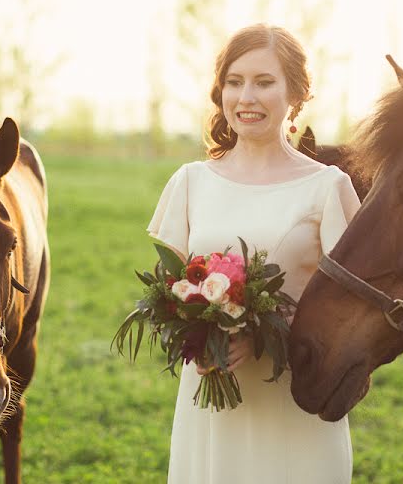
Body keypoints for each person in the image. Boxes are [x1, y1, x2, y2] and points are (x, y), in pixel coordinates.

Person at [148, 24, 361, 483]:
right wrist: (195, 332)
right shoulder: (190, 183)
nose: (246, 97)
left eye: (264, 82)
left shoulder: (328, 188)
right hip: (209, 405)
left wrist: (264, 334)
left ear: (296, 95)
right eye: (234, 81)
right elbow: (166, 292)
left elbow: (349, 316)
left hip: (292, 403)